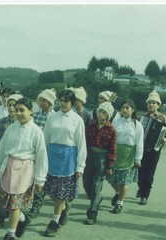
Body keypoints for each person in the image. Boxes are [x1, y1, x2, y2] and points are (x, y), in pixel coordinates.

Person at [0, 97, 48, 240]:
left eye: (22, 110)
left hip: (24, 170)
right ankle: (23, 219)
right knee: (8, 203)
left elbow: (41, 156)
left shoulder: (36, 131)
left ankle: (10, 233)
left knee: (15, 204)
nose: (18, 113)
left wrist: (40, 179)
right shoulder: (11, 128)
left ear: (31, 111)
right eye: (16, 110)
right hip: (8, 167)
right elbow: (1, 149)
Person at [43, 89, 86, 237]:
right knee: (52, 193)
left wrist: (81, 165)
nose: (62, 103)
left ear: (72, 102)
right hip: (52, 158)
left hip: (68, 159)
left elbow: (81, 144)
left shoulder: (77, 120)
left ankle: (54, 221)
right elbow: (45, 140)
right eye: (60, 100)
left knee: (60, 194)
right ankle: (64, 206)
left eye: (66, 101)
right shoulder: (52, 118)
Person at [0, 94, 23, 229]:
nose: (12, 108)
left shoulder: (23, 124)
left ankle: (18, 217)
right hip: (1, 162)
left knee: (15, 193)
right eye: (9, 105)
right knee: (1, 190)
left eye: (15, 105)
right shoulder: (1, 122)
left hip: (19, 165)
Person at [106, 99, 144, 214]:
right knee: (111, 179)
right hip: (115, 153)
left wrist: (138, 159)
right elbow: (110, 137)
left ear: (133, 110)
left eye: (127, 108)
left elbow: (139, 143)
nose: (125, 109)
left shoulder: (137, 125)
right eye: (123, 107)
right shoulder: (116, 122)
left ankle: (119, 203)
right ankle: (118, 193)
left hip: (128, 156)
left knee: (124, 182)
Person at [83, 102, 117, 225]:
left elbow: (113, 149)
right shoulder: (91, 126)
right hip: (90, 156)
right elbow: (84, 143)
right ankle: (97, 199)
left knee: (97, 185)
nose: (101, 114)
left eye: (104, 112)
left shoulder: (111, 130)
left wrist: (110, 165)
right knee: (87, 183)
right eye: (99, 111)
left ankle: (92, 214)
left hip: (102, 158)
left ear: (108, 115)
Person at [28, 88, 56, 219]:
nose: (42, 103)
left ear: (51, 103)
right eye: (41, 100)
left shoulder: (55, 117)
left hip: (49, 153)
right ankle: (33, 205)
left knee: (45, 179)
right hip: (34, 151)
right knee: (33, 178)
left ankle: (62, 205)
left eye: (45, 101)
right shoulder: (35, 115)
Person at [137, 90, 166, 205]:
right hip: (141, 149)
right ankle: (141, 187)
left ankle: (145, 195)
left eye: (154, 103)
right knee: (140, 172)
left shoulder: (163, 119)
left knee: (149, 174)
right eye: (149, 102)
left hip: (155, 150)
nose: (151, 105)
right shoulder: (142, 118)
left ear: (158, 105)